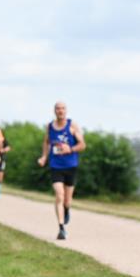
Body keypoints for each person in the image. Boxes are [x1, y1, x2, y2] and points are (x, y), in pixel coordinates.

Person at [37, 101, 86, 240]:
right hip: (55, 166)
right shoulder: (50, 127)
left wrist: (70, 149)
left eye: (63, 109)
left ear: (66, 111)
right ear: (54, 111)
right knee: (59, 194)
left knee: (67, 200)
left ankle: (67, 209)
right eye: (58, 109)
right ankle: (61, 229)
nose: (60, 111)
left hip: (71, 165)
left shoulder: (72, 126)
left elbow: (82, 145)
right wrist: (44, 157)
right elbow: (46, 142)